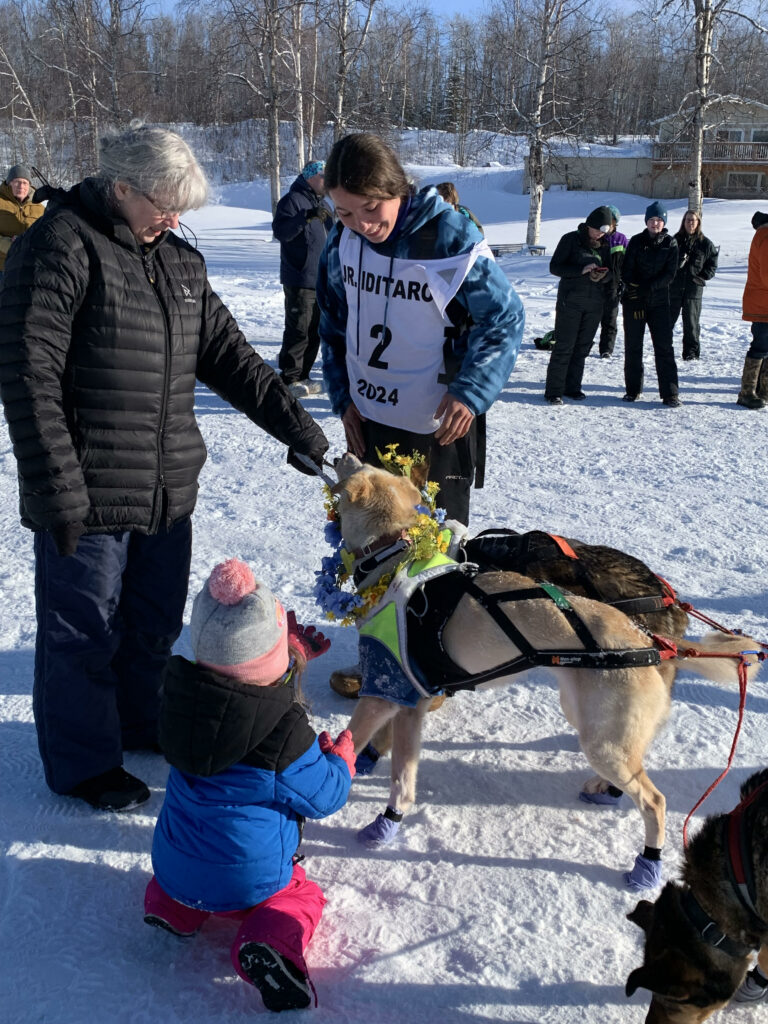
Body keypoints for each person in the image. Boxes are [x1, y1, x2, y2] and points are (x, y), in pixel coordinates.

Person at [0, 124, 329, 812]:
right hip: (85, 490)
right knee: (83, 633)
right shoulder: (59, 246)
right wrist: (55, 489)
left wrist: (298, 429)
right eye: (162, 204)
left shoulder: (178, 262)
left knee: (151, 623)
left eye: (182, 207)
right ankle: (85, 763)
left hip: (166, 488)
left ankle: (139, 720)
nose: (174, 219)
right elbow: (29, 376)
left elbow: (233, 359)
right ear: (120, 187)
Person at [317, 132, 523, 697]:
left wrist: (471, 391)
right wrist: (342, 398)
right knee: (371, 549)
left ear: (396, 189)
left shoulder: (447, 236)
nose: (360, 222)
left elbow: (503, 321)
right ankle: (382, 658)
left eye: (370, 208)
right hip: (372, 419)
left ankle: (433, 666)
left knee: (431, 553)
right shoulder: (342, 240)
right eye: (344, 211)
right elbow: (332, 325)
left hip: (436, 429)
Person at [144, 558, 354, 1012]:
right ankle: (271, 942)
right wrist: (341, 761)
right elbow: (325, 797)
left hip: (171, 865)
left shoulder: (178, 701)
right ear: (274, 658)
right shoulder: (285, 732)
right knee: (301, 895)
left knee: (185, 873)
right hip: (248, 882)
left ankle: (172, 908)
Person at [272, 160, 333, 397]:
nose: (326, 182)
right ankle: (290, 377)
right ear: (310, 177)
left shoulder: (320, 203)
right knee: (299, 328)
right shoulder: (292, 201)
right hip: (299, 276)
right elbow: (281, 232)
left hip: (320, 279)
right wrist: (306, 216)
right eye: (322, 177)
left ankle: (304, 375)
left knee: (315, 329)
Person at [544, 205, 613, 403]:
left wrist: (603, 275)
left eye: (604, 231)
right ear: (589, 225)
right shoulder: (570, 240)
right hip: (570, 302)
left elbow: (613, 274)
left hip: (594, 303)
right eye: (598, 230)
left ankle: (572, 387)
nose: (600, 235)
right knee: (564, 346)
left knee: (582, 348)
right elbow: (555, 267)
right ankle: (554, 391)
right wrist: (581, 270)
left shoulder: (606, 245)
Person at [621, 200, 681, 406]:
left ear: (664, 222)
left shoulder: (670, 243)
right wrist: (635, 289)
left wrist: (650, 287)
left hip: (660, 303)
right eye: (652, 220)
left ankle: (670, 393)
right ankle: (633, 390)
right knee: (633, 346)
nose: (655, 224)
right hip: (635, 302)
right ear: (646, 221)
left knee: (664, 348)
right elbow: (627, 269)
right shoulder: (636, 242)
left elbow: (670, 274)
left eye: (659, 220)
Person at [669, 209, 719, 361]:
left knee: (691, 323)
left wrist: (703, 276)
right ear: (683, 222)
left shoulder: (705, 244)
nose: (690, 223)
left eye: (693, 220)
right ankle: (664, 348)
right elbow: (664, 262)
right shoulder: (674, 241)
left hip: (693, 290)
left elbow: (712, 264)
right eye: (687, 220)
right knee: (667, 321)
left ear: (698, 223)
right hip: (674, 288)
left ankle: (691, 352)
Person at [736, 209, 768, 409]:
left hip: (762, 302)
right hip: (762, 304)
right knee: (761, 345)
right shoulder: (765, 237)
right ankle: (747, 392)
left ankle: (763, 390)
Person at [0, 163, 45, 273]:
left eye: (25, 182)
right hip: (3, 267)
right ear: (9, 183)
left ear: (29, 185)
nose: (21, 186)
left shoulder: (39, 206)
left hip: (31, 268)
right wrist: (11, 244)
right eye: (16, 182)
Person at [598, 205, 628, 358]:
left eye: (611, 220)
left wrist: (624, 281)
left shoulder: (621, 239)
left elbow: (627, 264)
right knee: (590, 318)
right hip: (595, 286)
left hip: (613, 287)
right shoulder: (596, 237)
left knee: (610, 319)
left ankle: (606, 349)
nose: (608, 223)